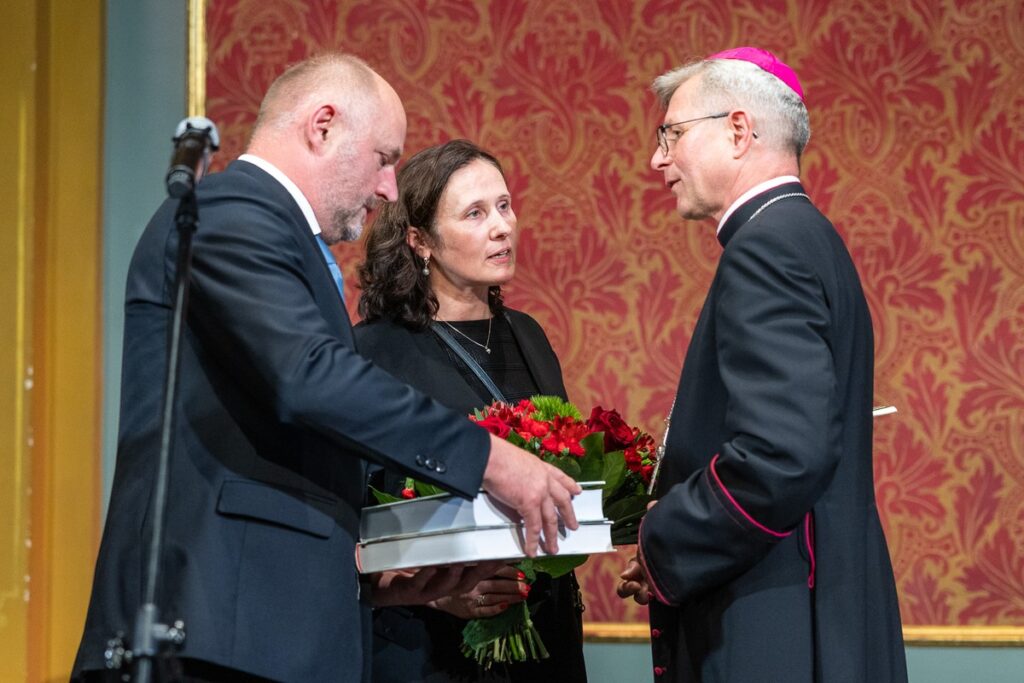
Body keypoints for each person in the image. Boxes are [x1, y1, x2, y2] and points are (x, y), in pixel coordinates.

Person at [72, 54, 582, 683]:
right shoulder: (231, 213)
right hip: (217, 632)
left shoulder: (270, 230)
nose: (389, 188)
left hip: (264, 624)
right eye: (385, 157)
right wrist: (494, 461)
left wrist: (367, 580)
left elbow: (280, 449)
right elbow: (307, 378)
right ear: (323, 126)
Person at [616, 47, 908, 682]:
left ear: (739, 130)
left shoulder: (766, 248)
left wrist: (664, 536)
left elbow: (782, 455)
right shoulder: (807, 235)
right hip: (817, 603)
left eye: (671, 133)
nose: (657, 159)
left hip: (772, 626)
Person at [355, 139, 587, 682]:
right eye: (476, 214)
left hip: (545, 639)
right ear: (420, 241)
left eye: (505, 206)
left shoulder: (527, 334)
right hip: (429, 648)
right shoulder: (373, 351)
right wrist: (440, 592)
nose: (502, 227)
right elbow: (353, 518)